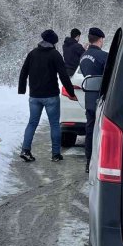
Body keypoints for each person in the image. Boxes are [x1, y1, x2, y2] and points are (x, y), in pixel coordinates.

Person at [18, 29, 77, 163]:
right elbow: (63, 75)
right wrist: (71, 93)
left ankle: (25, 150)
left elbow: (23, 72)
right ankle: (56, 154)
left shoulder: (32, 54)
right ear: (53, 43)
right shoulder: (55, 55)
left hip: (34, 96)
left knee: (32, 123)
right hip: (51, 96)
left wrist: (22, 89)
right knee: (55, 125)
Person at [79, 27, 108, 173]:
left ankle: (88, 162)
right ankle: (101, 162)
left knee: (90, 130)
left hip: (89, 98)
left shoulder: (83, 56)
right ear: (101, 39)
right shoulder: (104, 56)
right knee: (104, 131)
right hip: (102, 98)